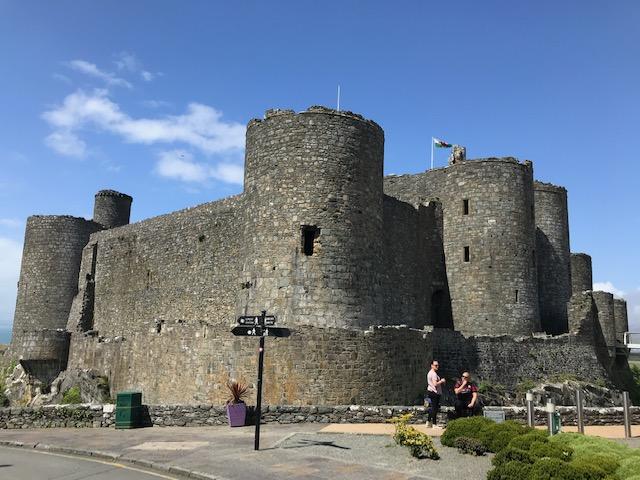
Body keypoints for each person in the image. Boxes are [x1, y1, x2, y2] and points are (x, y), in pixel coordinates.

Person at [426, 360, 446, 428]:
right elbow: (435, 384)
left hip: (431, 391)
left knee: (433, 408)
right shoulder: (433, 374)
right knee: (434, 408)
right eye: (435, 365)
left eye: (437, 365)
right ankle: (434, 424)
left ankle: (428, 422)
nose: (437, 366)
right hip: (434, 392)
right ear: (432, 365)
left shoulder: (430, 373)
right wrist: (441, 381)